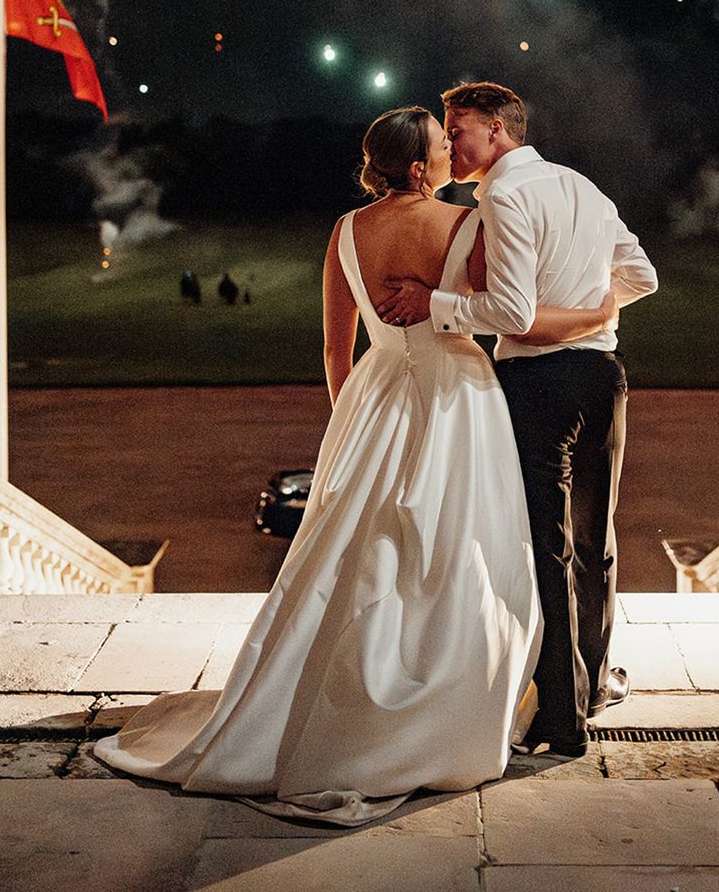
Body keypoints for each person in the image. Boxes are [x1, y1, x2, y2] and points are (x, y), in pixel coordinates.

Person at [94, 106, 615, 825]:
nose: (449, 151)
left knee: (359, 553)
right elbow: (507, 314)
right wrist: (593, 315)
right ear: (415, 167)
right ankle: (445, 707)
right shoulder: (468, 223)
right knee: (463, 553)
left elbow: (337, 353)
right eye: (439, 144)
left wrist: (355, 425)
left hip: (373, 396)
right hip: (460, 398)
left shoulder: (345, 231)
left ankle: (334, 698)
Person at [377, 83, 658, 757]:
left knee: (546, 544)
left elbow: (508, 313)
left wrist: (437, 303)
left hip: (538, 385)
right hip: (603, 379)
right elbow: (642, 275)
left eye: (459, 130)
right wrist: (594, 312)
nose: (450, 143)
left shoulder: (502, 196)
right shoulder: (580, 187)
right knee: (596, 538)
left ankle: (561, 716)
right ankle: (591, 686)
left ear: (498, 132)